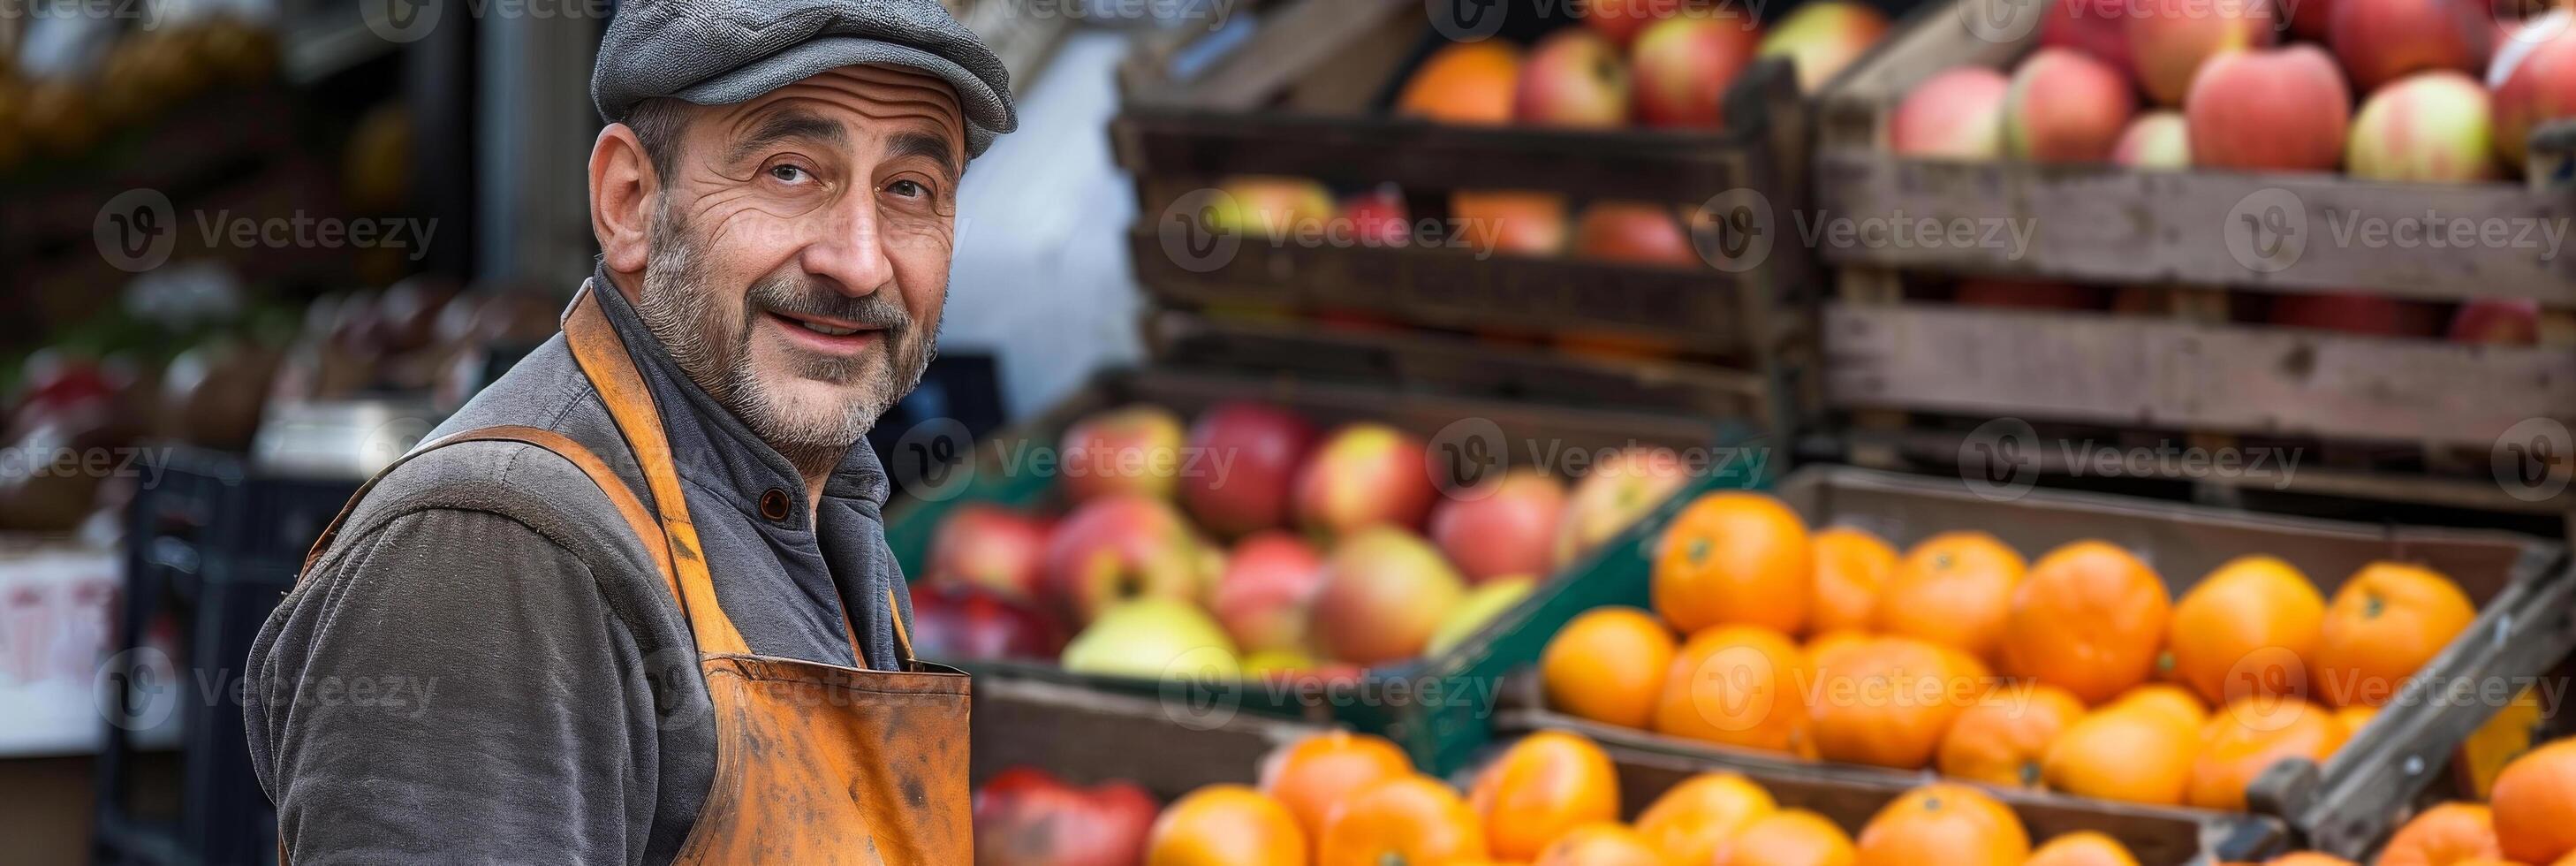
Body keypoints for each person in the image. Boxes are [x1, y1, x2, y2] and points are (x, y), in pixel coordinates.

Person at [243, 0, 1017, 860]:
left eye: (909, 188)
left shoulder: (823, 499)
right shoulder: (499, 552)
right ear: (630, 202)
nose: (859, 259)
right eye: (789, 171)